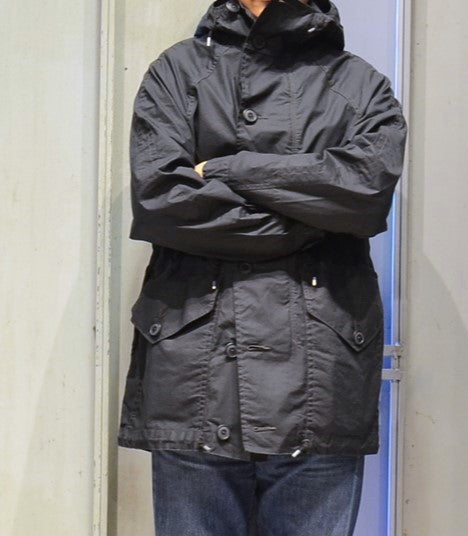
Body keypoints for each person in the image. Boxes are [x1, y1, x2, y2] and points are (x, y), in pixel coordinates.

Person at [117, 0, 408, 534]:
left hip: (321, 375)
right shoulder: (177, 72)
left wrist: (231, 169)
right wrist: (314, 216)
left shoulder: (362, 86)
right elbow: (162, 201)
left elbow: (365, 195)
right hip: (196, 368)